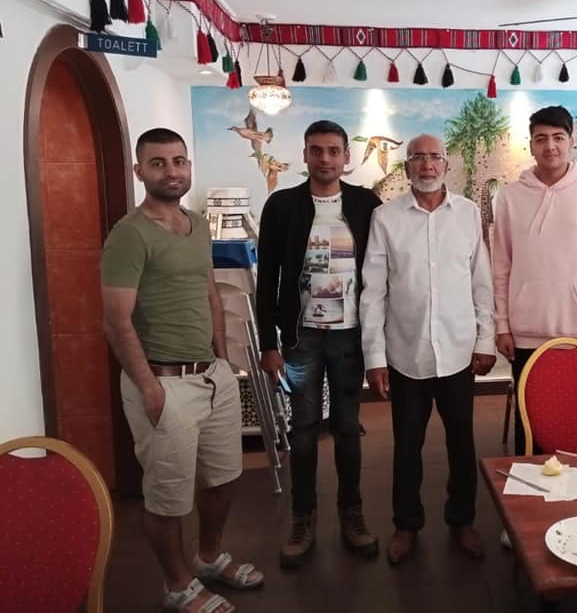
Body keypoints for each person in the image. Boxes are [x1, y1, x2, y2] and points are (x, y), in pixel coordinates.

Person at [101, 128, 263, 613]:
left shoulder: (196, 224)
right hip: (163, 381)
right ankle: (177, 585)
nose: (171, 171)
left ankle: (209, 557)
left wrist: (222, 357)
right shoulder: (129, 235)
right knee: (168, 495)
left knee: (223, 477)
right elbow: (115, 320)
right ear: (139, 171)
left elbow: (208, 291)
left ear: (188, 166)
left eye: (178, 161)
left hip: (212, 376)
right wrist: (150, 388)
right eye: (158, 163)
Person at [360, 134, 496, 565]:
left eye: (435, 157)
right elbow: (373, 292)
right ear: (407, 168)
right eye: (418, 158)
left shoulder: (468, 214)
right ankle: (406, 525)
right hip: (406, 352)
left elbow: (481, 281)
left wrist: (485, 339)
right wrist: (375, 357)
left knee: (462, 443)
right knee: (406, 446)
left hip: (458, 351)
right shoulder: (385, 218)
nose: (427, 165)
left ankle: (462, 520)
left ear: (446, 166)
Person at [256, 120, 381, 567]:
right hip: (301, 337)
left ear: (346, 156)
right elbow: (267, 278)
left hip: (351, 336)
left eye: (333, 150)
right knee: (304, 429)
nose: (325, 158)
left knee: (347, 428)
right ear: (305, 154)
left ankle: (352, 514)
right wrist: (268, 343)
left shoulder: (366, 204)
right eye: (316, 150)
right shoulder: (282, 206)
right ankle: (302, 517)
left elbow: (382, 273)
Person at [492, 105, 577, 457]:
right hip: (525, 336)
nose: (550, 146)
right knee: (531, 428)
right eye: (541, 139)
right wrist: (502, 325)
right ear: (531, 145)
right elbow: (500, 266)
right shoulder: (510, 197)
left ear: (571, 142)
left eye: (558, 138)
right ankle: (528, 489)